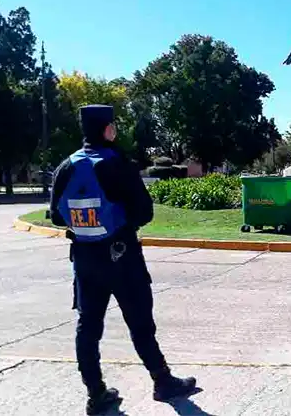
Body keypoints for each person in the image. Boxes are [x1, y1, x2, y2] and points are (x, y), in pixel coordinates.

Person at [49, 104, 197, 415]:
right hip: (122, 256)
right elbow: (145, 211)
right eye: (113, 125)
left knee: (87, 327)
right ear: (106, 129)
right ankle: (163, 382)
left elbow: (56, 218)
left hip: (85, 260)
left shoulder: (66, 167)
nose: (115, 130)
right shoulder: (116, 164)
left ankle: (96, 393)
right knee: (141, 324)